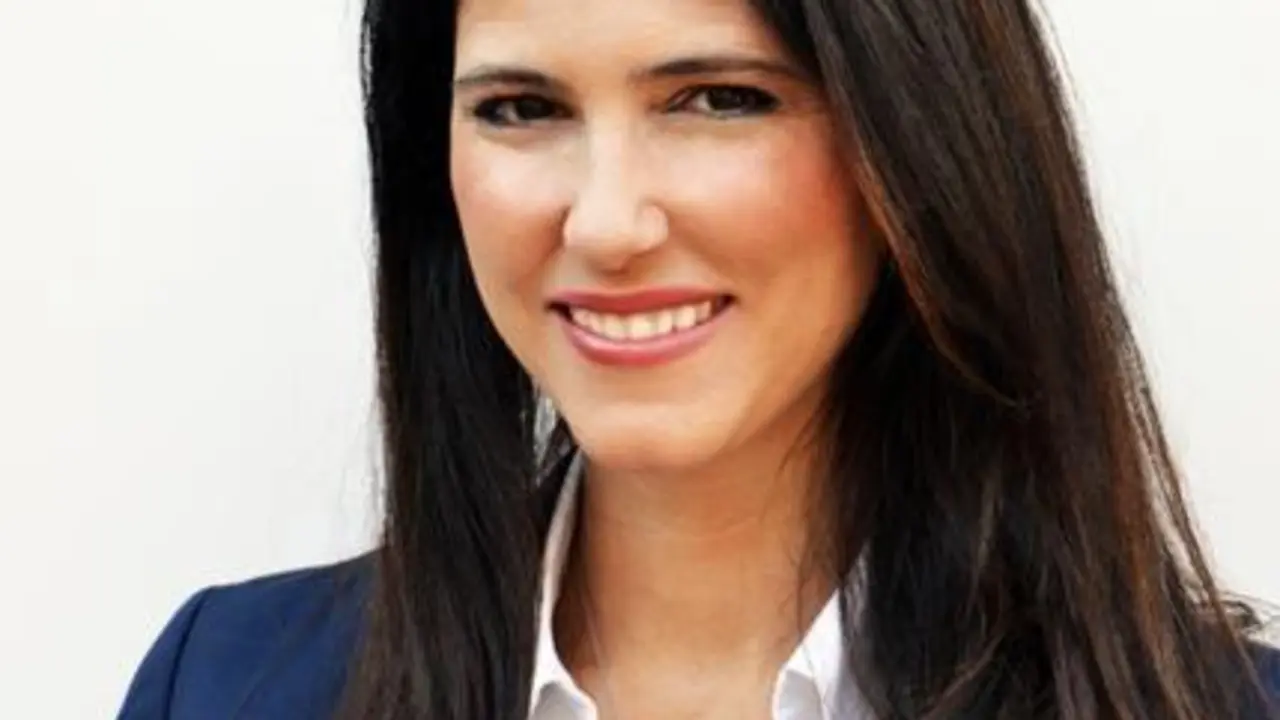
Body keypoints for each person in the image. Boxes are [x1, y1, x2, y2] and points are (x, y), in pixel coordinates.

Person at [118, 0, 1280, 718]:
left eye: (717, 99)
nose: (604, 223)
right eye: (519, 108)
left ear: (913, 145)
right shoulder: (222, 687)